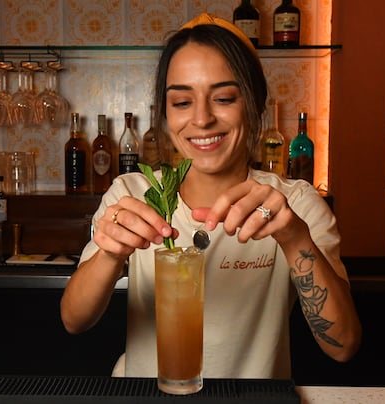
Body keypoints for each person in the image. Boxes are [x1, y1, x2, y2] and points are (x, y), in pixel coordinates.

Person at [61, 13, 361, 380]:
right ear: (166, 114)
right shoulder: (134, 193)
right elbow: (74, 320)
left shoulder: (293, 204)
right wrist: (110, 251)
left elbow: (343, 345)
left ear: (255, 106)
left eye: (223, 97)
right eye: (182, 102)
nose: (201, 119)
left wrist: (294, 237)